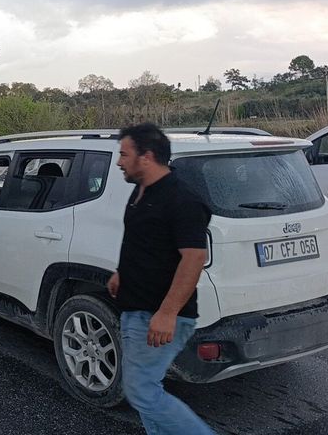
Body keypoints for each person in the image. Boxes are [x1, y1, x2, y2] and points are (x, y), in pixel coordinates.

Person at [107, 123, 214, 435]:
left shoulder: (182, 200)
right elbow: (144, 241)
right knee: (145, 395)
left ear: (147, 156)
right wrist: (121, 272)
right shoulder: (141, 190)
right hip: (136, 310)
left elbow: (194, 258)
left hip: (160, 316)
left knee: (142, 391)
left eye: (124, 154)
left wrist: (167, 313)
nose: (119, 161)